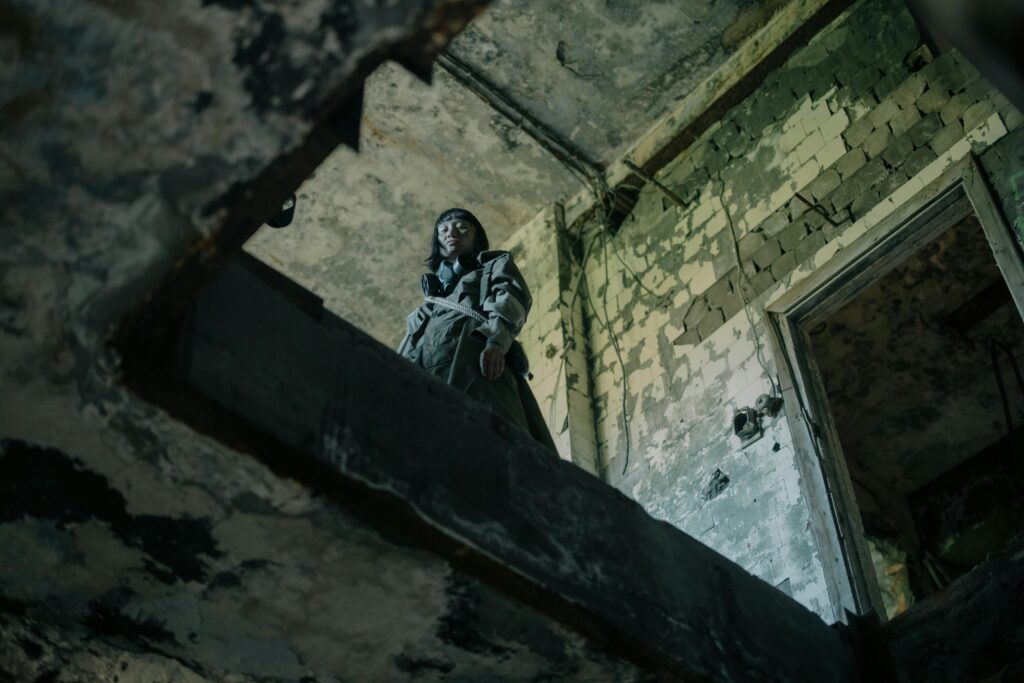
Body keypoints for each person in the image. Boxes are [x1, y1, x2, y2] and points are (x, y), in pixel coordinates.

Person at [398, 208, 556, 452]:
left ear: (476, 239)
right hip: (428, 384)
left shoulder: (493, 268)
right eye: (443, 230)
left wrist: (496, 342)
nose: (451, 233)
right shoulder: (425, 310)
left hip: (475, 367)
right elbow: (404, 355)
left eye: (462, 228)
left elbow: (510, 300)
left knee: (496, 439)